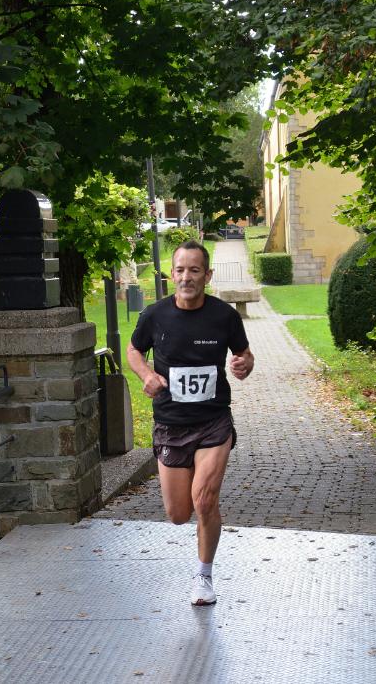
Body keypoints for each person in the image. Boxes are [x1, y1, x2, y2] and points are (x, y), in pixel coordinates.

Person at [127, 240, 254, 606]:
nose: (187, 277)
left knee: (204, 499)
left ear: (207, 275)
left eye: (194, 270)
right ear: (172, 275)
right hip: (171, 424)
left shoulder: (224, 316)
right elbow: (134, 350)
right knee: (179, 514)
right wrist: (146, 375)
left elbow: (243, 354)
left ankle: (204, 575)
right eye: (180, 270)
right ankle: (200, 541)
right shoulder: (155, 315)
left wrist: (245, 364)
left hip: (213, 421)